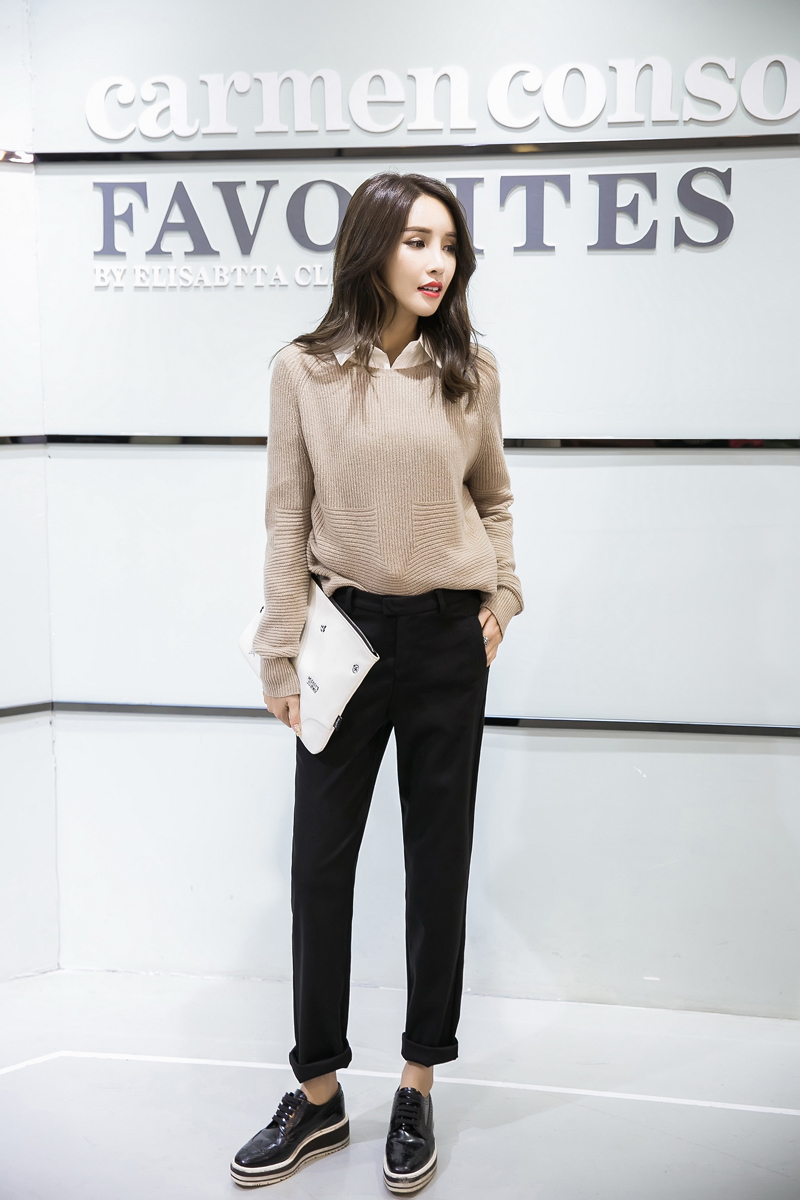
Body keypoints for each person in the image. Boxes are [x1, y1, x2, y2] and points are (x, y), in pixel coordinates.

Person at [231, 171, 523, 1193]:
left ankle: (416, 1083)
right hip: (339, 638)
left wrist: (503, 596)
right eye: (416, 241)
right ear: (371, 248)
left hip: (447, 642)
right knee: (320, 867)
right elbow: (286, 516)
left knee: (437, 868)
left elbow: (494, 498)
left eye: (448, 244)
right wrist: (278, 653)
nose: (438, 262)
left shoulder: (469, 369)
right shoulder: (303, 370)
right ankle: (318, 1094)